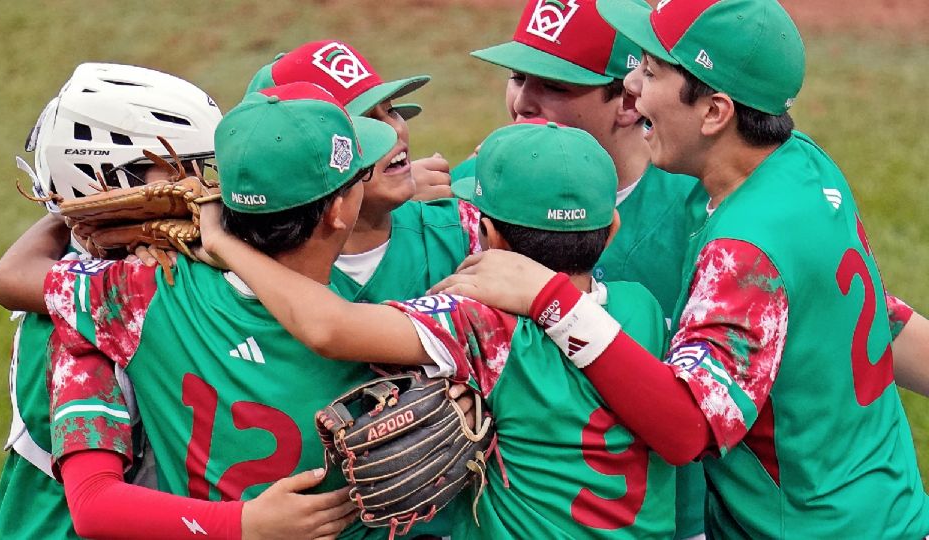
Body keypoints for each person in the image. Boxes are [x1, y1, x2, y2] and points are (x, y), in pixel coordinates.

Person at [431, 0, 929, 536]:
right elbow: (878, 316)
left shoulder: (746, 251)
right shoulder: (801, 164)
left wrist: (555, 302)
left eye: (649, 70)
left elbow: (689, 426)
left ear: (715, 112)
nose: (632, 87)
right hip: (889, 505)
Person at [197, 119, 681, 538]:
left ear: (487, 233)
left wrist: (227, 243)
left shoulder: (481, 322)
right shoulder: (639, 307)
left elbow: (328, 327)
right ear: (612, 227)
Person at [40, 82, 418, 540]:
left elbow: (14, 279)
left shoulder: (136, 294)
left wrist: (62, 198)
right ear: (338, 211)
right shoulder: (381, 325)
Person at [457, 0, 704, 535]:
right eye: (519, 76)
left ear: (628, 101)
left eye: (555, 85)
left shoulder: (701, 216)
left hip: (667, 515)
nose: (523, 101)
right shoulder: (471, 191)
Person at [0, 62, 223, 539]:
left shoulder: (76, 264)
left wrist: (69, 206)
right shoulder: (104, 302)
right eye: (181, 168)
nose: (203, 187)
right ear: (106, 181)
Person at [246, 41, 480, 303]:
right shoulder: (253, 271)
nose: (395, 130)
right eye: (367, 121)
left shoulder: (463, 233)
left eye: (391, 110)